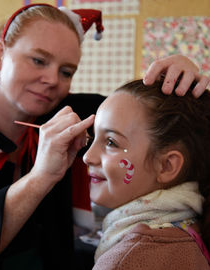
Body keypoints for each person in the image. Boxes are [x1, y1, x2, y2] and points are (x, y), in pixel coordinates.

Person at [0, 3, 208, 269]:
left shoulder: (75, 114)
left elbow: (170, 124)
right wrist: (40, 177)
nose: (52, 79)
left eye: (66, 71)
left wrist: (185, 82)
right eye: (38, 60)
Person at [83, 77, 210, 269]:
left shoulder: (129, 258)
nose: (87, 156)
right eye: (93, 137)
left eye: (111, 142)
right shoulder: (190, 227)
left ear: (166, 166)